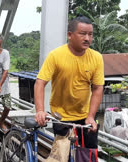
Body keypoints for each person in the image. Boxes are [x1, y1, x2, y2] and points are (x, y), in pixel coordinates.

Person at [34, 16, 104, 148]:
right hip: (61, 117)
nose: (87, 38)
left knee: (87, 157)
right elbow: (40, 83)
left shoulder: (96, 58)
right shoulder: (56, 56)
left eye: (90, 34)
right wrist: (40, 111)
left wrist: (91, 116)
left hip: (85, 117)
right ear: (70, 35)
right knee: (63, 159)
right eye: (82, 34)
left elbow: (97, 88)